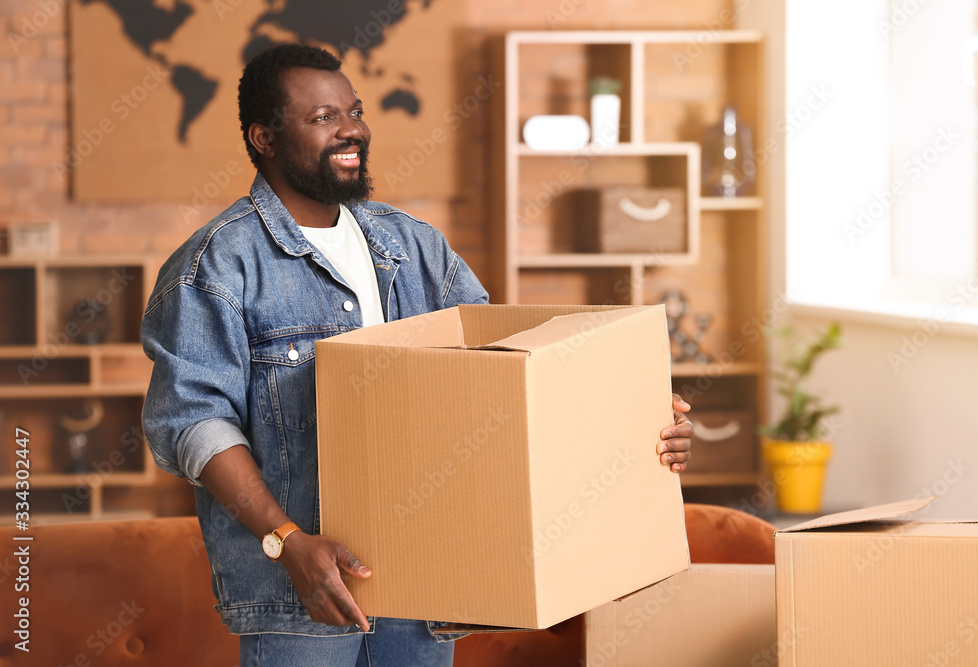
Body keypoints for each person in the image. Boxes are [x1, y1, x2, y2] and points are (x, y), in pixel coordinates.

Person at [140, 43, 694, 667]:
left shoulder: (416, 247)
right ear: (264, 138)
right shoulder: (217, 265)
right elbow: (194, 424)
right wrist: (289, 542)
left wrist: (639, 420)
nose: (351, 129)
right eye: (323, 117)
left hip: (425, 589)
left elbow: (508, 379)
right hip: (302, 597)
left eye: (353, 110)